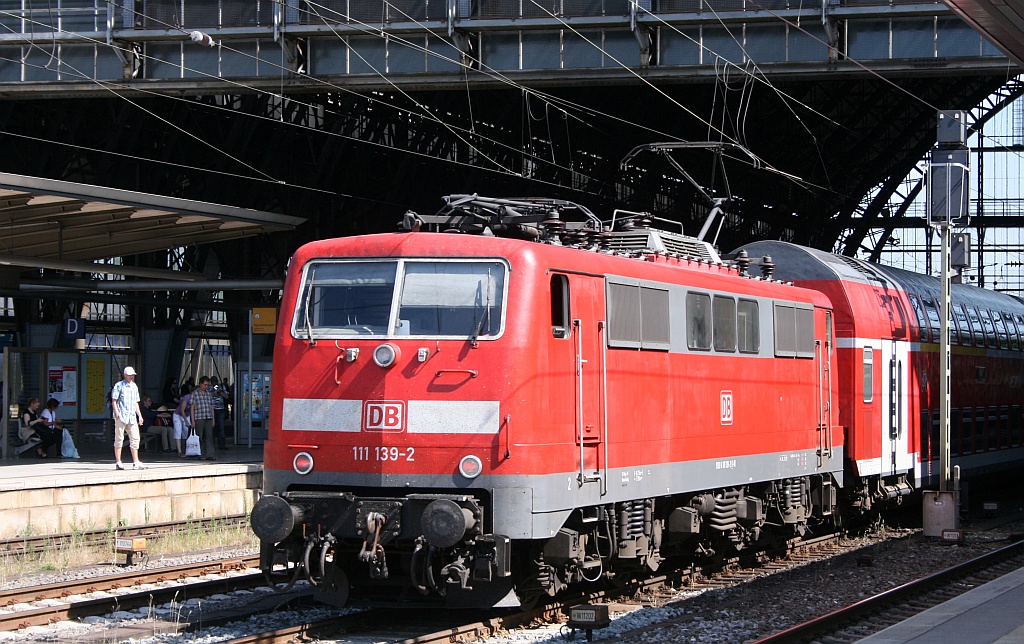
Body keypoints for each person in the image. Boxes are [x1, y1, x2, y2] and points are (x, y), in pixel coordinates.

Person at [110, 366, 145, 470]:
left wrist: (140, 416)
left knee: (135, 438)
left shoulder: (134, 386)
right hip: (122, 415)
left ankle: (135, 461)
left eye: (132, 375)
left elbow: (135, 403)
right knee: (119, 438)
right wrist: (117, 413)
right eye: (130, 375)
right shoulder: (119, 386)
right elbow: (114, 400)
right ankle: (118, 461)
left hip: (132, 416)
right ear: (125, 375)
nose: (131, 377)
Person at [190, 376, 216, 460]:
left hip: (208, 416)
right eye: (205, 384)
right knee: (199, 436)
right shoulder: (195, 394)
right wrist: (193, 420)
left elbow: (212, 407)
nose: (206, 386)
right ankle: (200, 453)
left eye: (207, 385)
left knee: (209, 435)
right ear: (200, 384)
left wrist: (213, 419)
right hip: (199, 417)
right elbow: (192, 408)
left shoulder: (209, 394)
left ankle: (210, 454)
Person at [211, 376, 229, 450]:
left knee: (221, 427)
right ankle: (212, 444)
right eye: (213, 381)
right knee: (212, 427)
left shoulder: (222, 387)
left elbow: (227, 396)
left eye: (215, 381)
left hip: (221, 409)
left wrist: (220, 392)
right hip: (212, 409)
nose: (214, 383)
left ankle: (222, 445)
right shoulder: (208, 387)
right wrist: (214, 391)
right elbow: (207, 395)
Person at [173, 384, 192, 456]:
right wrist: (187, 422)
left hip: (187, 415)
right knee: (178, 431)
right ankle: (179, 451)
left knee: (186, 432)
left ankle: (185, 449)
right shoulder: (187, 397)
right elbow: (182, 410)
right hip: (178, 415)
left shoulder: (196, 398)